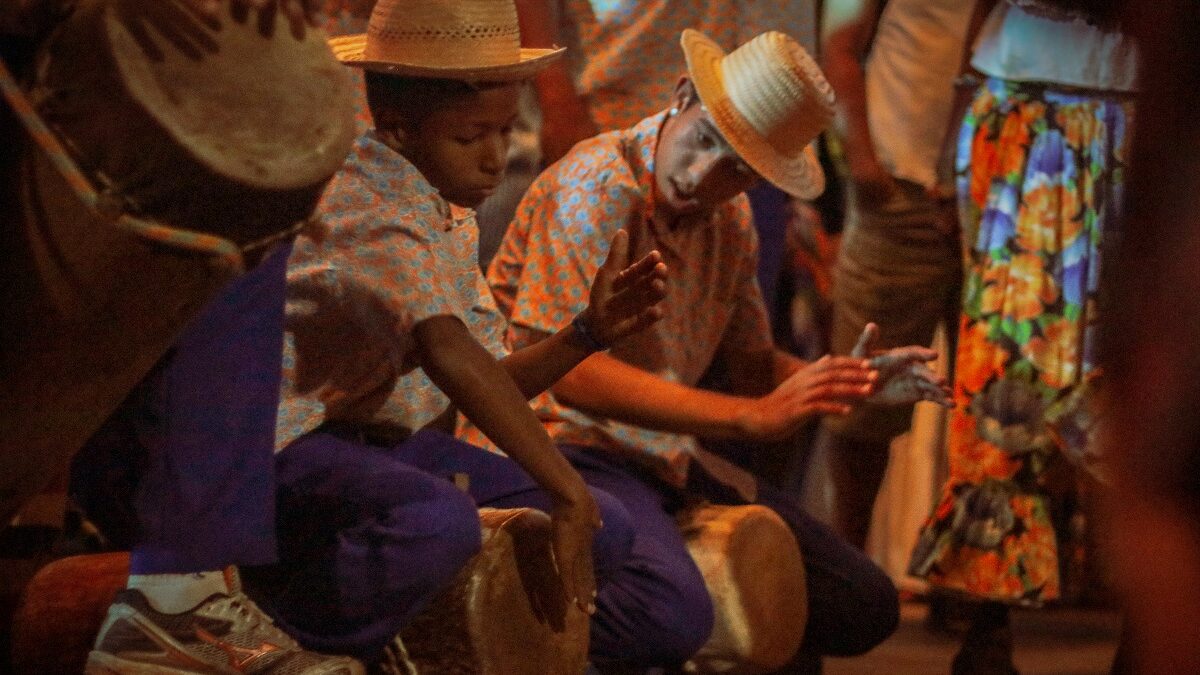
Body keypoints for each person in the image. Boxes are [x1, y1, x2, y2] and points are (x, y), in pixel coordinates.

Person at [485, 29, 951, 670]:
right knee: (668, 615)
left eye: (737, 167)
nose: (705, 174)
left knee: (856, 600)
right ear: (681, 97)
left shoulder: (729, 222)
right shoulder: (598, 184)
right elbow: (571, 377)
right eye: (706, 139)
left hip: (659, 459)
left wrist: (845, 381)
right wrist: (742, 417)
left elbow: (754, 366)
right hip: (557, 446)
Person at [248, 0, 670, 665]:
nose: (496, 158)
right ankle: (287, 640)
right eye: (473, 136)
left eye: (506, 130)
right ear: (397, 127)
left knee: (607, 528)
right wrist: (566, 486)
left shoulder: (445, 203)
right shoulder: (361, 195)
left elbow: (483, 376)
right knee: (438, 522)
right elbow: (445, 347)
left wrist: (584, 332)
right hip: (293, 449)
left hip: (382, 448)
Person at [906, 1, 1138, 671]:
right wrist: (957, 103)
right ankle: (987, 619)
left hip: (1135, 112)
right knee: (1005, 362)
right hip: (1027, 109)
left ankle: (1146, 622)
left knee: (1128, 369)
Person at [817, 0, 975, 550]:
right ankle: (848, 564)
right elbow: (839, 44)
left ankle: (971, 581)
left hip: (999, 187)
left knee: (988, 402)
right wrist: (864, 165)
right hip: (900, 186)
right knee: (861, 396)